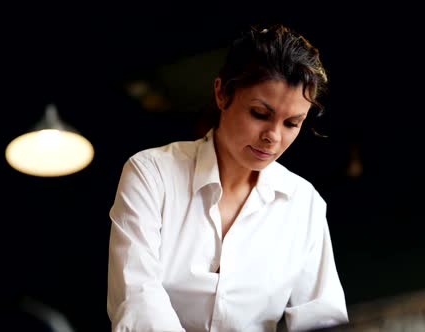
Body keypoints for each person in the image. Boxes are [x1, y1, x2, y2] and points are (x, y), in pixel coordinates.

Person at [106, 23, 348, 332]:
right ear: (222, 93)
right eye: (260, 114)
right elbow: (138, 299)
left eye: (292, 123)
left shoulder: (304, 203)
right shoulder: (151, 174)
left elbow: (322, 317)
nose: (272, 137)